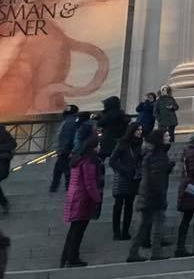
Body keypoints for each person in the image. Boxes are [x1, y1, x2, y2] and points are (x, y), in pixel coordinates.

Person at [127, 129, 175, 263]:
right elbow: (156, 178)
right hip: (154, 196)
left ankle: (133, 252)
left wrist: (168, 167)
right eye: (165, 136)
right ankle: (155, 252)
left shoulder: (151, 155)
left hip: (147, 195)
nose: (168, 137)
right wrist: (159, 197)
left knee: (143, 226)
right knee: (157, 225)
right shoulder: (159, 156)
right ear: (160, 139)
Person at [60, 123, 102, 268]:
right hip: (83, 198)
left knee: (74, 229)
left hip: (75, 196)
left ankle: (66, 257)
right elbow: (90, 182)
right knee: (78, 230)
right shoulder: (89, 159)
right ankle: (72, 258)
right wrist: (97, 198)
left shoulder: (78, 156)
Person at [109, 122, 143, 240]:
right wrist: (124, 169)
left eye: (141, 130)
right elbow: (112, 161)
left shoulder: (140, 144)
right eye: (138, 130)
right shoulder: (123, 144)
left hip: (134, 179)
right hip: (122, 178)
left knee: (129, 206)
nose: (140, 132)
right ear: (132, 131)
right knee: (118, 205)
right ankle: (116, 232)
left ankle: (125, 231)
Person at [50, 105, 79, 193]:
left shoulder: (69, 122)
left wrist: (63, 149)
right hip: (67, 149)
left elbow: (67, 136)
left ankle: (61, 188)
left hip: (66, 150)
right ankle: (55, 187)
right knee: (59, 169)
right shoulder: (72, 121)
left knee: (64, 170)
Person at [97, 95, 129, 160]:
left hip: (108, 138)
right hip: (119, 139)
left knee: (102, 158)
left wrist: (100, 116)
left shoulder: (109, 114)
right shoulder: (121, 113)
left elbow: (100, 123)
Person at [0, 126, 12, 214]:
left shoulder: (3, 133)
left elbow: (13, 144)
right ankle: (4, 203)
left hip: (3, 163)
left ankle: (4, 203)